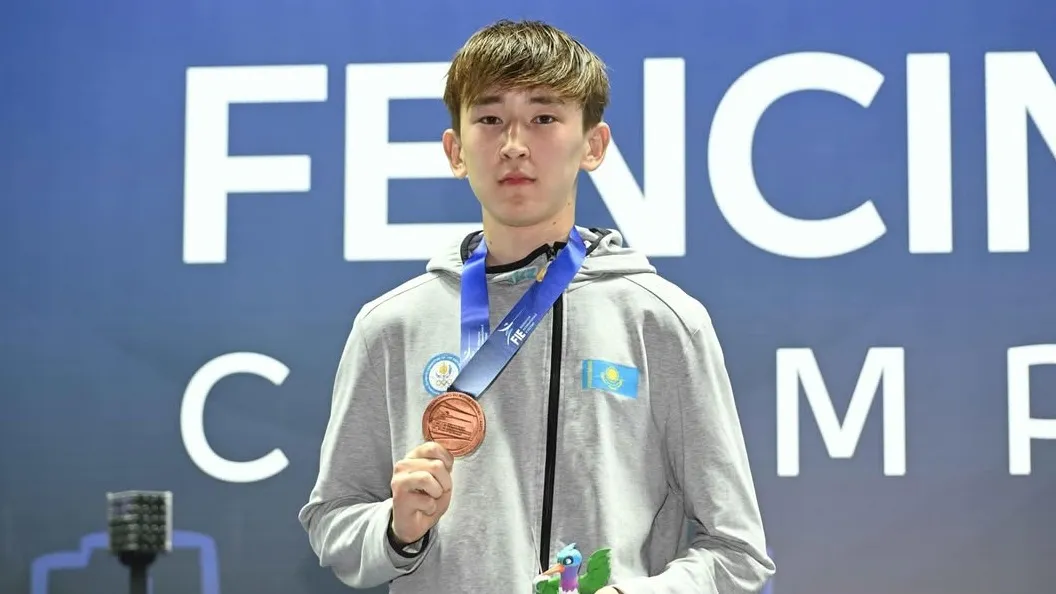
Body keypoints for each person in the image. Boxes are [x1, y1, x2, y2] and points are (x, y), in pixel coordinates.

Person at [298, 19, 775, 594]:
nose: (514, 145)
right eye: (489, 119)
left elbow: (737, 553)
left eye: (544, 118)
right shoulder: (391, 326)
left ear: (593, 145)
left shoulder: (662, 322)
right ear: (455, 150)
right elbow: (333, 520)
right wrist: (396, 530)